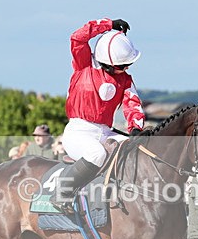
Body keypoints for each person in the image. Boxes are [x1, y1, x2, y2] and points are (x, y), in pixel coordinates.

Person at [49, 17, 144, 213]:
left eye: (128, 65)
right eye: (122, 66)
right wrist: (107, 25)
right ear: (106, 62)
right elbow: (77, 38)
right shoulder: (83, 64)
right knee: (97, 153)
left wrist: (135, 128)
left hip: (105, 132)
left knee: (138, 152)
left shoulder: (125, 79)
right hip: (79, 132)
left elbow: (132, 104)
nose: (126, 69)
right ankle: (62, 194)